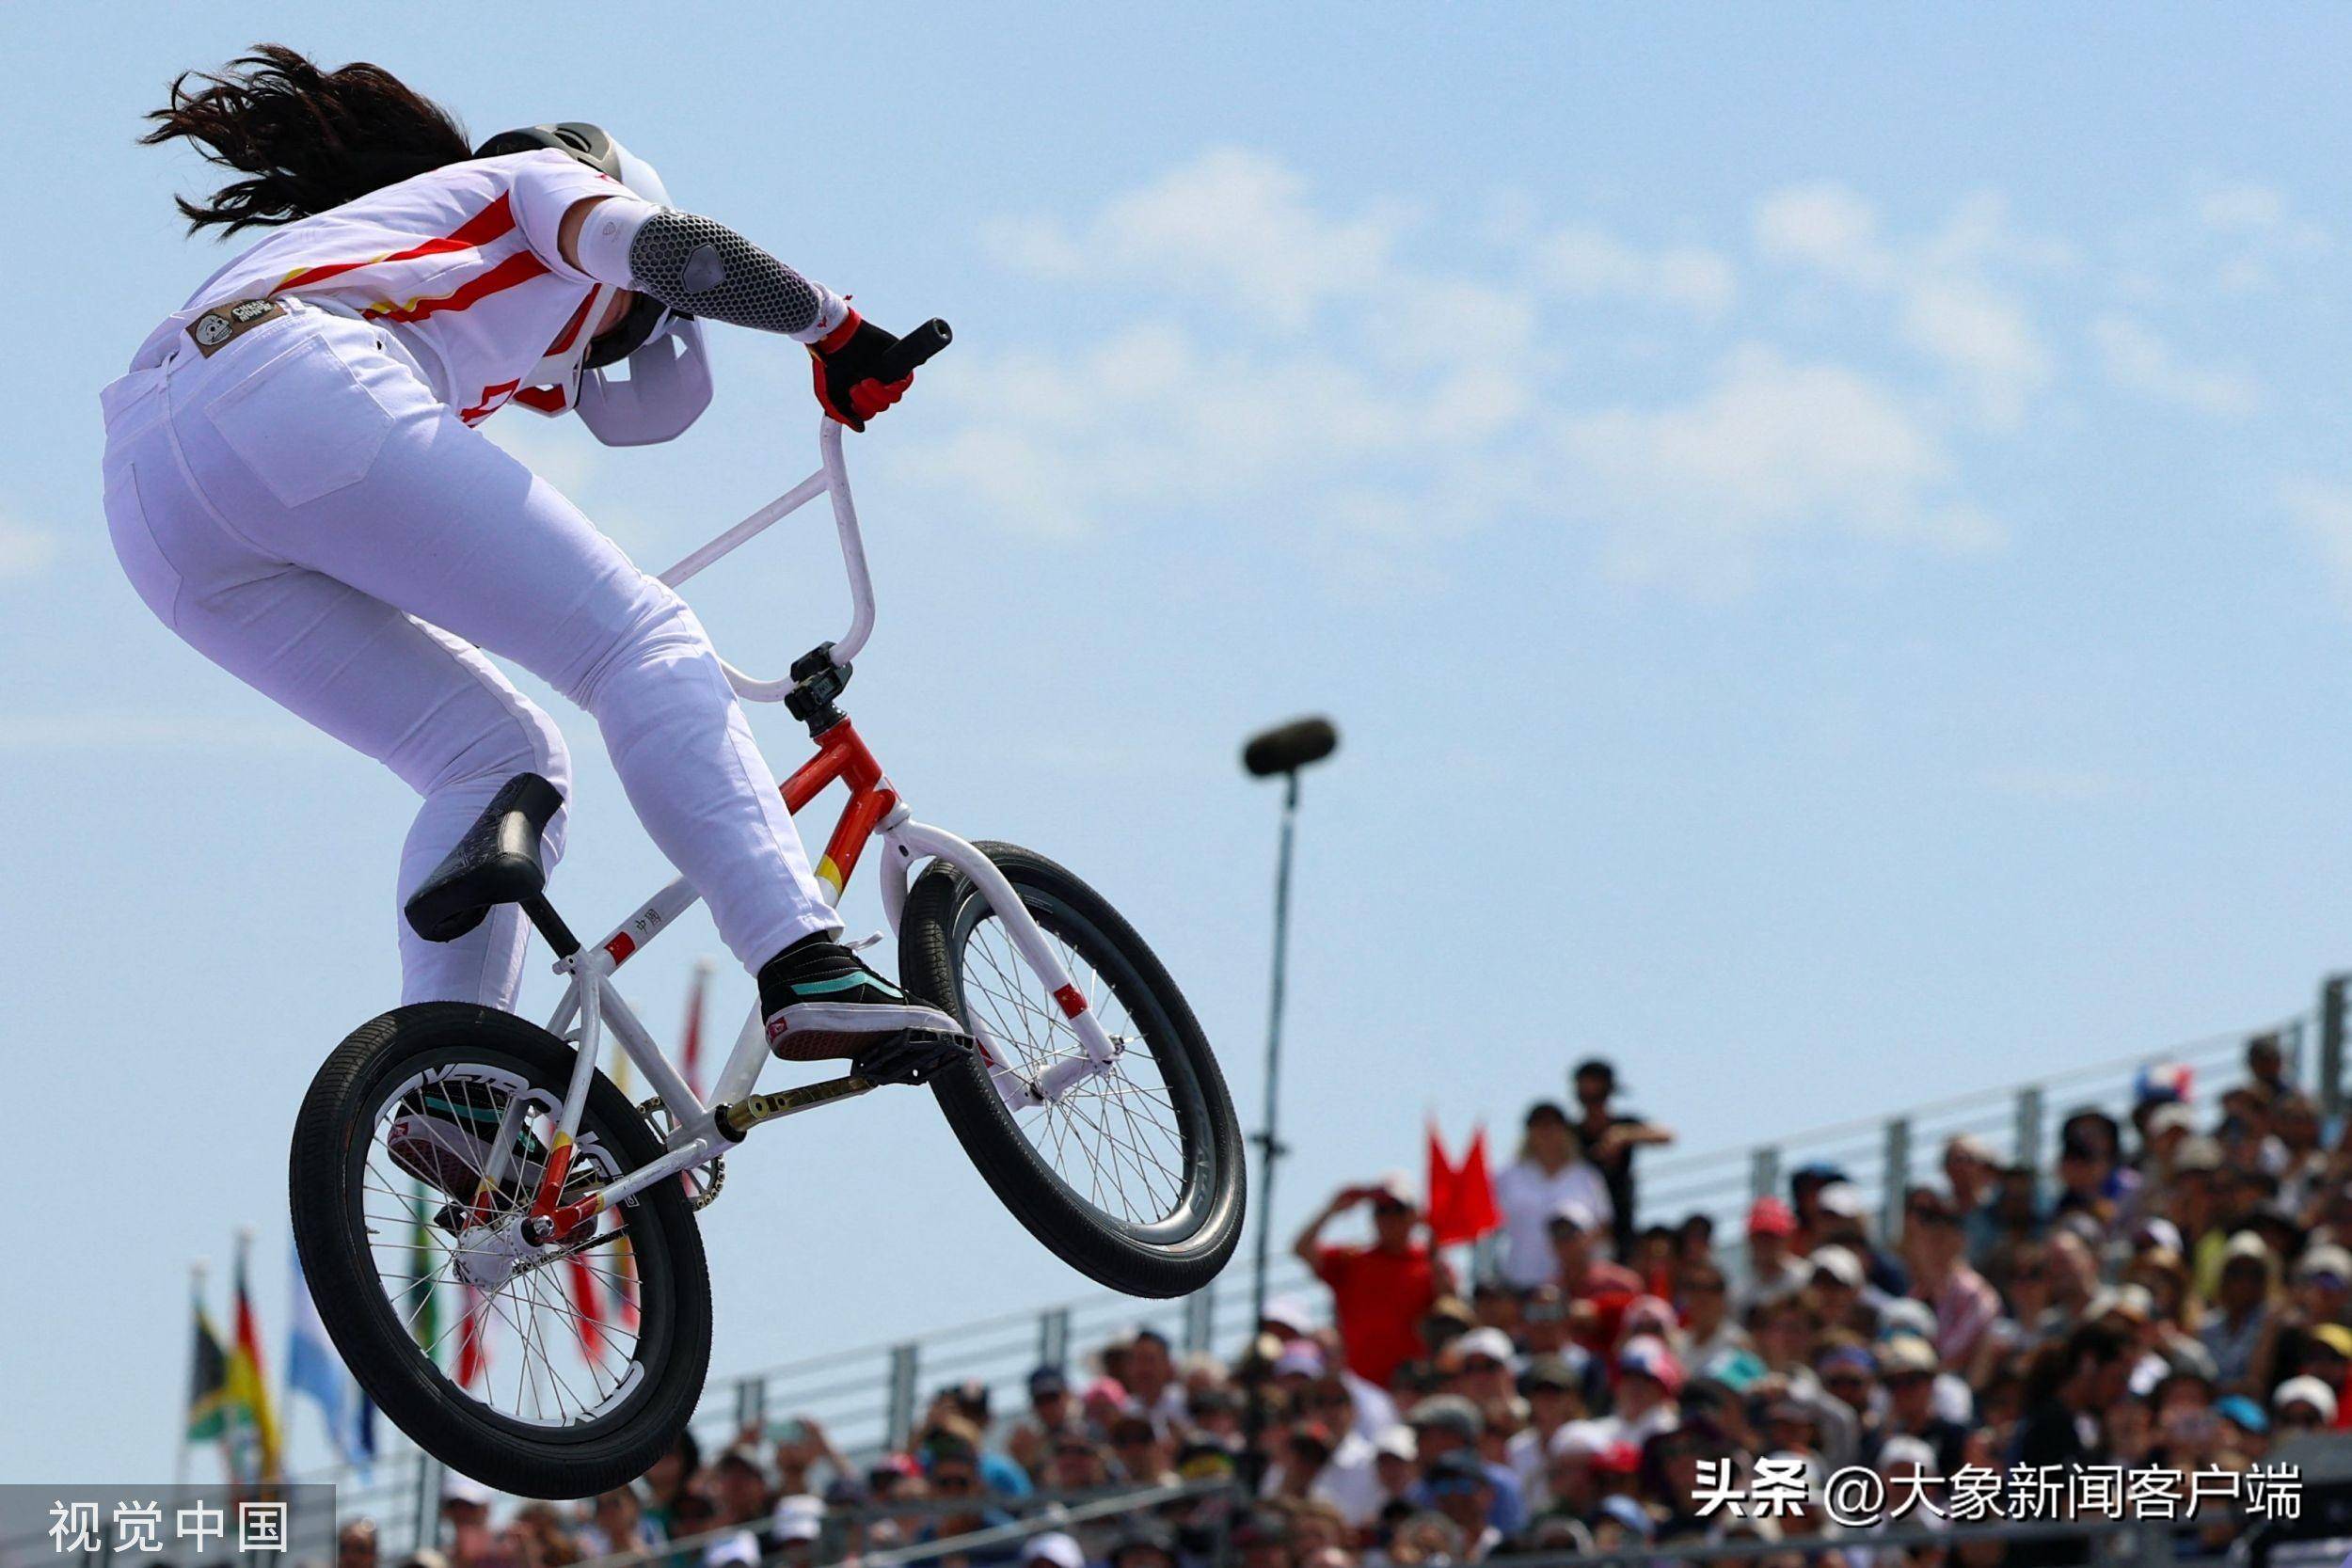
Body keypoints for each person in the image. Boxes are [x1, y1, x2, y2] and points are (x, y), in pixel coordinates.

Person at [109, 48, 962, 1069]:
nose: (607, 340)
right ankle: (803, 956)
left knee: (491, 759)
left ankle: (454, 1083)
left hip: (151, 495)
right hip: (288, 383)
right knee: (642, 641)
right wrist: (839, 330)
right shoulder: (535, 180)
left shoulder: (412, 277)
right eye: (626, 324)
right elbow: (676, 250)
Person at [1295, 1173, 1452, 1386]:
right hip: (1360, 1387)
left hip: (1411, 1387)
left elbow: (1451, 1309)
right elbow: (1302, 1249)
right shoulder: (1353, 1261)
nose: (1389, 1218)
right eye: (1381, 1210)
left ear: (1415, 1215)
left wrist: (1434, 1239)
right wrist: (1332, 1211)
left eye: (1398, 1210)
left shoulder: (1430, 1263)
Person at [1492, 1102, 1613, 1289]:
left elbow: (1604, 1226)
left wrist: (1575, 1253)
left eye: (1552, 1125)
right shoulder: (1508, 1176)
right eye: (1539, 1125)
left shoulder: (1586, 1177)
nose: (1546, 1132)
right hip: (1520, 1279)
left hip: (1573, 1285)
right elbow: (1484, 1223)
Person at [1567, 1060, 1673, 1257]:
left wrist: (1624, 1136)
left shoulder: (1624, 1125)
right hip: (1581, 1229)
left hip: (1621, 1223)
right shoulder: (1571, 1134)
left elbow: (1666, 1135)